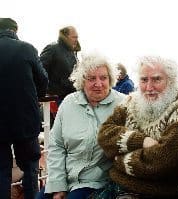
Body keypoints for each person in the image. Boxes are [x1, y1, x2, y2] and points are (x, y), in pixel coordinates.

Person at [97, 56, 178, 198]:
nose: (149, 87)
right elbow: (104, 134)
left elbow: (165, 161)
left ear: (171, 80)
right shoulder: (130, 101)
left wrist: (119, 160)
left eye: (157, 79)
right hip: (117, 186)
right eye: (144, 80)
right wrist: (141, 141)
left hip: (158, 193)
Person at [37, 53, 125, 199]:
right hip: (65, 177)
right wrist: (58, 185)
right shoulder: (69, 103)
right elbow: (56, 145)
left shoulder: (123, 105)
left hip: (96, 181)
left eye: (103, 78)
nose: (98, 83)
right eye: (91, 79)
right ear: (82, 81)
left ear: (110, 79)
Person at [0, 18, 48, 199]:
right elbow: (43, 79)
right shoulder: (26, 48)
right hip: (25, 118)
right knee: (30, 167)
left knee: (1, 170)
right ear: (14, 30)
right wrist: (37, 96)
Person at [40, 26, 81, 105]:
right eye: (74, 37)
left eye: (77, 37)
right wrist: (47, 90)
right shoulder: (52, 48)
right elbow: (40, 70)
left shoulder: (73, 52)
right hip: (56, 97)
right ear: (65, 36)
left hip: (71, 96)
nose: (76, 40)